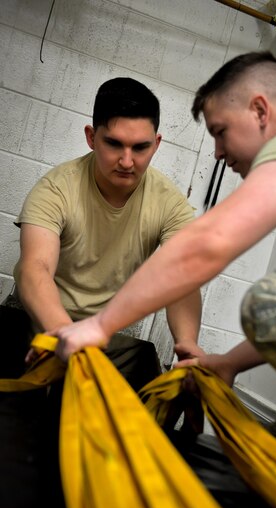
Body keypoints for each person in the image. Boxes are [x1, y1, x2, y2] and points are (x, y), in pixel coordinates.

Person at [48, 51, 276, 480]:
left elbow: (208, 244)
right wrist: (228, 365)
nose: (219, 153)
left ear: (261, 110)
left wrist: (99, 325)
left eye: (221, 133)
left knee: (270, 300)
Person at [2, 76, 203, 390]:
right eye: (114, 144)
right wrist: (63, 333)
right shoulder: (56, 188)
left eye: (140, 147)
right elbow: (35, 268)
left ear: (157, 143)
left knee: (143, 393)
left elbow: (184, 277)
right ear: (91, 137)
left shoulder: (170, 203)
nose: (126, 161)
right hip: (37, 321)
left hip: (101, 336)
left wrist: (188, 345)